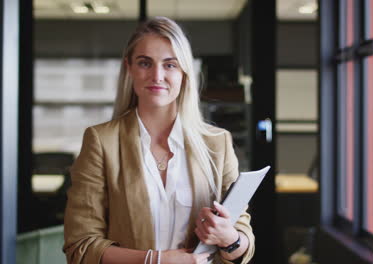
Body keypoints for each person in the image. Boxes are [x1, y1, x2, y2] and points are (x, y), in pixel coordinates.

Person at [63, 16, 254, 264]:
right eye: (145, 63)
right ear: (129, 68)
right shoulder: (101, 141)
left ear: (185, 73)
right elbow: (81, 246)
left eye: (170, 65)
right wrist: (156, 260)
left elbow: (243, 239)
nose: (157, 75)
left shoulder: (217, 143)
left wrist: (231, 239)